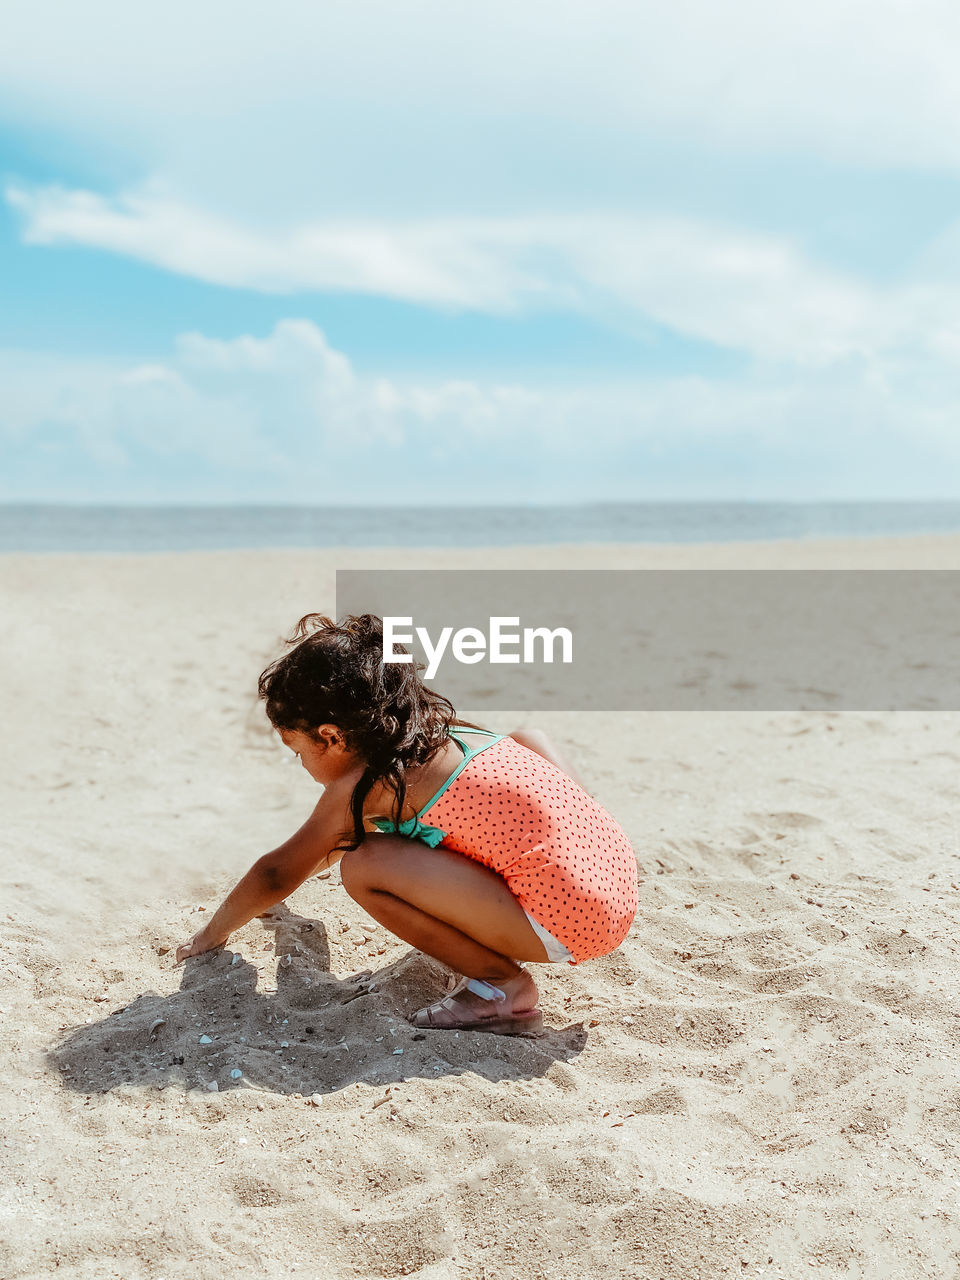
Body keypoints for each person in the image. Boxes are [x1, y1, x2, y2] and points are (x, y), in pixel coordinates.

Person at [176, 613, 639, 1034]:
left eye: (298, 752)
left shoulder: (366, 784)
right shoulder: (441, 731)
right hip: (610, 875)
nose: (301, 765)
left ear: (332, 737)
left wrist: (212, 934)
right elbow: (322, 848)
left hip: (572, 922)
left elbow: (280, 871)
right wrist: (283, 907)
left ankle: (500, 986)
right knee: (524, 739)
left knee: (364, 868)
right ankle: (515, 925)